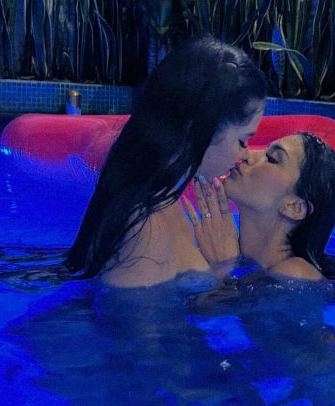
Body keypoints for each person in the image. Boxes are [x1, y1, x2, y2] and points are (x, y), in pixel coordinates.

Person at [64, 36, 267, 287]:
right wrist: (222, 272)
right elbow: (128, 313)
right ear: (201, 128)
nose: (245, 154)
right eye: (243, 140)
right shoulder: (146, 232)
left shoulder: (159, 197)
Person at [184, 131, 335, 281]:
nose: (248, 155)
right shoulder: (224, 252)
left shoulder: (297, 274)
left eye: (272, 159)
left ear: (295, 207)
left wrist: (221, 270)